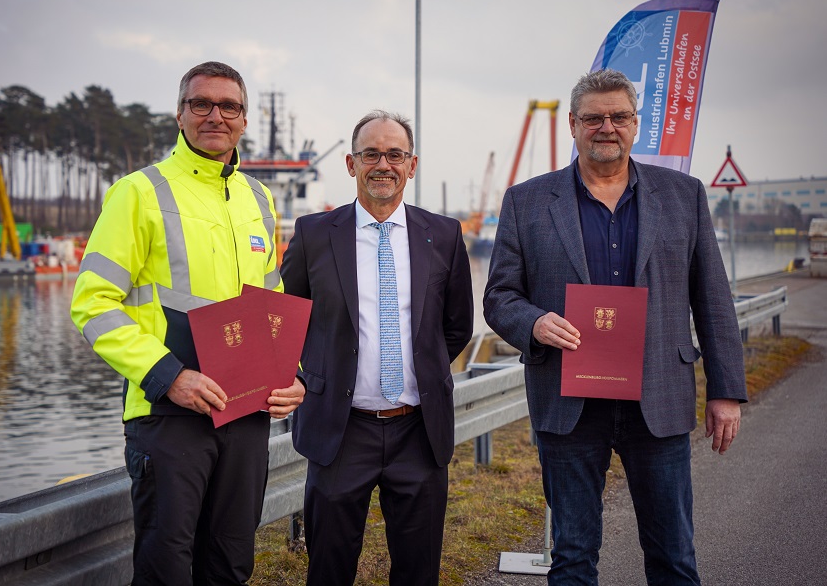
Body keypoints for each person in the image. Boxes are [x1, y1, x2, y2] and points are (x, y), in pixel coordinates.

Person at [483, 68, 747, 585]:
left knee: (673, 555)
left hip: (659, 397)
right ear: (574, 126)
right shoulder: (527, 201)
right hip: (569, 403)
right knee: (574, 557)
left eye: (619, 116)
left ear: (635, 124)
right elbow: (498, 297)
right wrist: (534, 324)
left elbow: (712, 298)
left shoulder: (684, 195)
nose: (608, 126)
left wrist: (726, 391)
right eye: (594, 118)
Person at [70, 61, 305, 586]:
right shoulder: (138, 192)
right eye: (202, 104)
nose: (215, 115)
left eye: (229, 106)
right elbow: (92, 303)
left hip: (244, 416)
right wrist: (167, 375)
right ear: (180, 114)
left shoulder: (258, 199)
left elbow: (273, 303)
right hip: (167, 414)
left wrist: (293, 377)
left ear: (244, 120)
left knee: (230, 564)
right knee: (166, 569)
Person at [280, 110, 474, 585]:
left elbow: (457, 326)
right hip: (339, 429)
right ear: (351, 164)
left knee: (418, 568)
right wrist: (309, 378)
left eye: (395, 154)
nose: (383, 164)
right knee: (329, 565)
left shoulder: (444, 235)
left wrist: (421, 374)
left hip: (418, 431)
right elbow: (285, 322)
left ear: (412, 164)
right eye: (371, 154)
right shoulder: (312, 235)